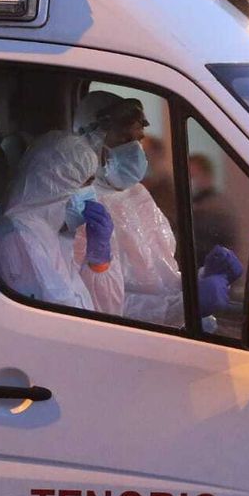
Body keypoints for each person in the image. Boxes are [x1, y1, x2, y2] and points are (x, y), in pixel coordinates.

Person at [74, 92, 185, 325]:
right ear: (92, 139)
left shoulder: (138, 194)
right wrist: (180, 308)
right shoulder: (80, 205)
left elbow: (162, 275)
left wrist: (197, 285)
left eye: (138, 140)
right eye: (124, 140)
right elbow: (101, 304)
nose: (135, 150)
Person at [0, 125, 118, 311]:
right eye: (85, 182)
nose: (91, 192)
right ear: (56, 184)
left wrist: (98, 264)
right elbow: (62, 316)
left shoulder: (48, 231)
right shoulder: (18, 238)